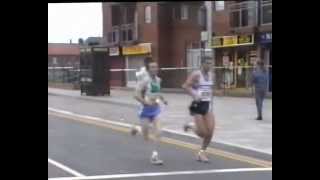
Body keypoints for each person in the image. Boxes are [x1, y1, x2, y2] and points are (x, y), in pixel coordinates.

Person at [132, 59, 168, 165]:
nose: (155, 69)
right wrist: (145, 102)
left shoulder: (158, 80)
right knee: (146, 137)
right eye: (152, 67)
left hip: (156, 109)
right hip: (145, 110)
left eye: (156, 67)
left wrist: (163, 99)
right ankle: (138, 128)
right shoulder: (144, 81)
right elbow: (136, 95)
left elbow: (157, 92)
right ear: (148, 70)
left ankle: (154, 156)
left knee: (159, 132)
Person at [182, 57, 215, 163]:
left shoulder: (211, 75)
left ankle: (201, 153)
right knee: (202, 133)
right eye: (207, 63)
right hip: (198, 105)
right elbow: (185, 86)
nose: (209, 66)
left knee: (210, 132)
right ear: (202, 64)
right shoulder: (196, 74)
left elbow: (210, 89)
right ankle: (191, 126)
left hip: (207, 104)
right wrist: (194, 94)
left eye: (210, 63)